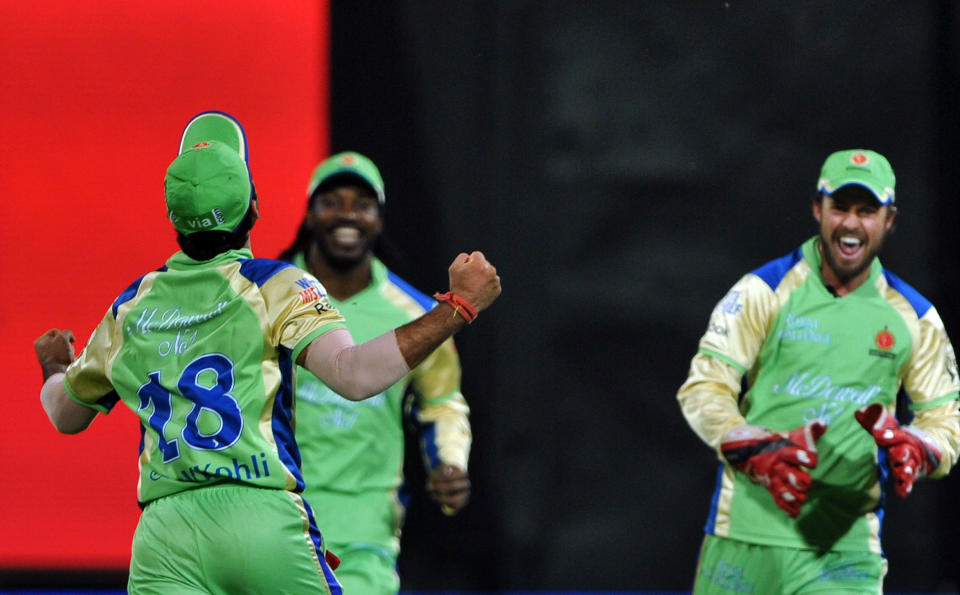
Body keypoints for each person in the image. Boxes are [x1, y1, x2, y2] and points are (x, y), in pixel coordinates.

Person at [33, 111, 501, 595]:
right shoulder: (274, 286)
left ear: (172, 216)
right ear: (255, 208)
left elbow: (65, 414)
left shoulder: (130, 308)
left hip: (166, 532)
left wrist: (54, 369)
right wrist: (459, 306)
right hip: (263, 517)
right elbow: (354, 375)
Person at [677, 149, 960, 593]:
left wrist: (918, 448)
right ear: (817, 209)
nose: (851, 223)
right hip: (745, 538)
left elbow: (945, 423)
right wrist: (750, 444)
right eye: (840, 208)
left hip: (844, 552)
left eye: (867, 211)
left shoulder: (917, 319)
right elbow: (704, 387)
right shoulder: (763, 291)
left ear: (890, 220)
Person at [277, 151, 473, 594]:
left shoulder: (417, 314)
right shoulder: (268, 299)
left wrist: (449, 463)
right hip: (274, 522)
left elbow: (442, 403)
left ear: (379, 220)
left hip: (365, 532)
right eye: (332, 202)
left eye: (362, 204)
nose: (347, 214)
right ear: (309, 214)